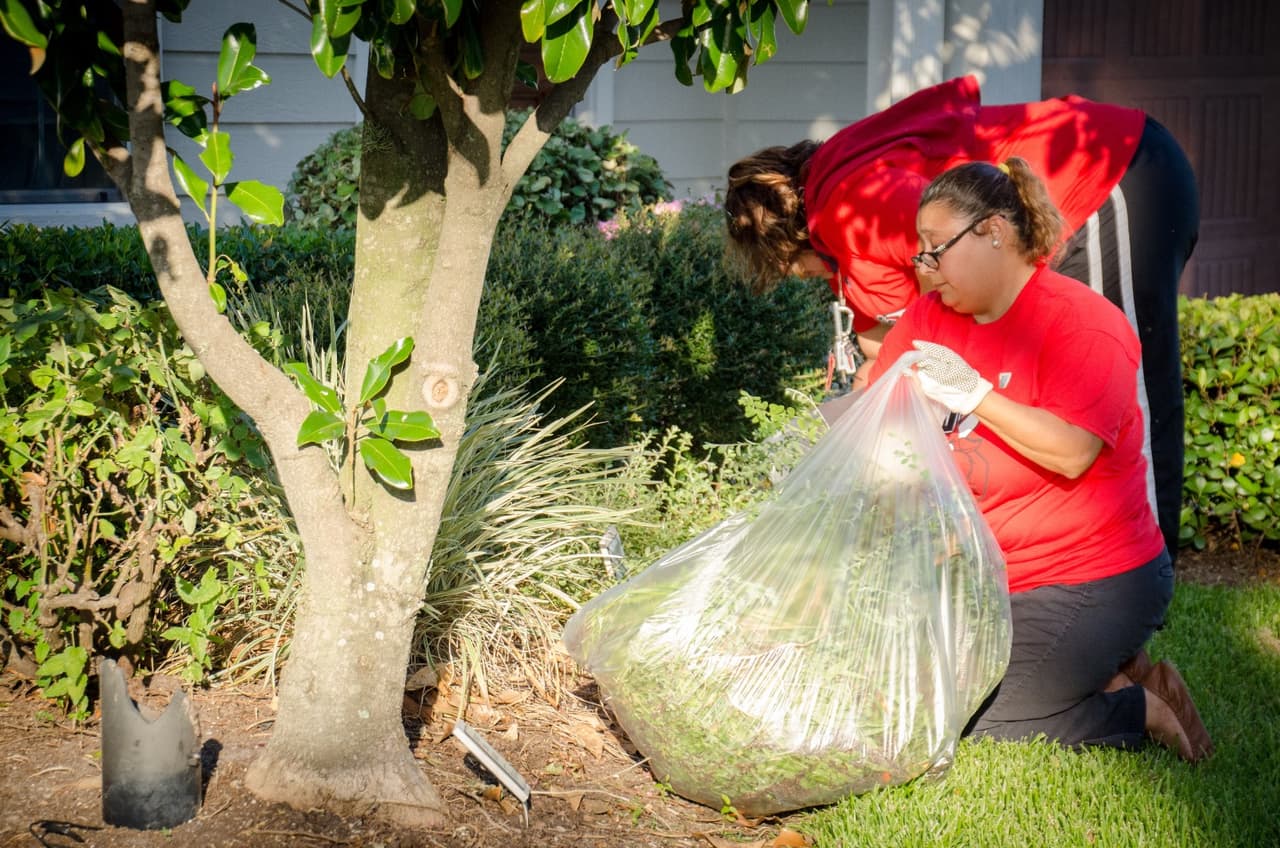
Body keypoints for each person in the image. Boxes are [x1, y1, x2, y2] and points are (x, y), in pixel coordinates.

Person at [723, 75, 1198, 563]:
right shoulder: (839, 236)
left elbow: (960, 240)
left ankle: (1143, 572)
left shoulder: (854, 205)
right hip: (1105, 175)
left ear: (783, 242)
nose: (798, 278)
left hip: (1109, 174)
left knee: (1111, 387)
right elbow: (886, 357)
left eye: (786, 269)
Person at [865, 157, 1211, 761]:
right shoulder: (929, 319)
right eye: (921, 252)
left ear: (993, 231)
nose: (925, 267)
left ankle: (1140, 707)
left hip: (1091, 575)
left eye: (935, 249)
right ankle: (1108, 672)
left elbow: (1074, 451)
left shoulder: (1083, 324)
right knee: (891, 684)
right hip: (982, 573)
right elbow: (886, 421)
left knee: (973, 720)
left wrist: (976, 394)